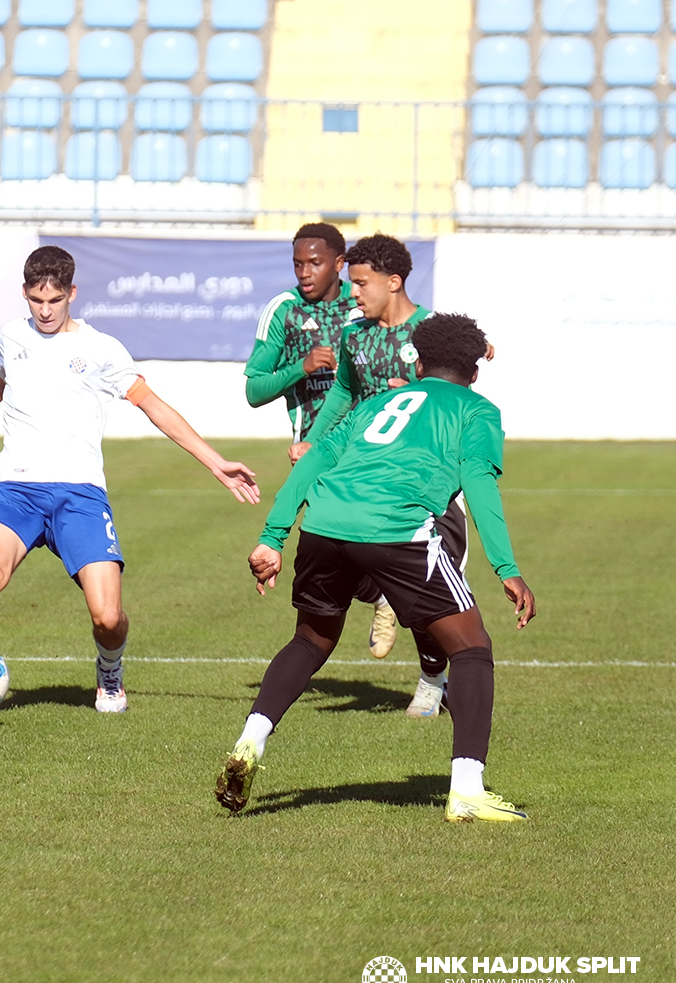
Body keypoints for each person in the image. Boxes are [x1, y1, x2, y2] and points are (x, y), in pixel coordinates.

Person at [217, 312, 536, 823]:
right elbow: (479, 481)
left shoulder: (375, 402)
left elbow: (315, 460)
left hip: (323, 525)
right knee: (472, 649)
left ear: (418, 362)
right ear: (474, 372)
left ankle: (249, 742)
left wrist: (272, 538)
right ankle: (469, 791)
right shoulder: (477, 410)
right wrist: (506, 567)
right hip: (398, 530)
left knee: (311, 641)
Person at [0, 246, 261, 713]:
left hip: (79, 493)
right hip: (16, 488)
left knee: (107, 617)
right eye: (36, 300)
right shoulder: (10, 335)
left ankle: (110, 669)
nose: (44, 311)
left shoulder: (100, 349)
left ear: (72, 294)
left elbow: (152, 404)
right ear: (24, 293)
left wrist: (214, 461)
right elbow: (1, 380)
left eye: (54, 301)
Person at [296, 233, 494, 718]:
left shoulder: (430, 331)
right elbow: (342, 393)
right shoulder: (355, 334)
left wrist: (479, 350)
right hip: (365, 471)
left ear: (394, 281)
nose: (353, 293)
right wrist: (313, 442)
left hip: (426, 479)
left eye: (360, 283)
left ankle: (432, 679)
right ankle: (384, 599)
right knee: (353, 558)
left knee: (437, 597)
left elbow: (462, 372)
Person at [245, 224, 402, 661]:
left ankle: (427, 660)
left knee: (362, 541)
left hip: (367, 445)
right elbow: (254, 391)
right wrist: (301, 366)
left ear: (339, 263)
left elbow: (410, 333)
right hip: (313, 449)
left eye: (314, 263)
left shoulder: (362, 306)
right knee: (328, 545)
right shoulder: (284, 310)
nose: (304, 273)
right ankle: (379, 598)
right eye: (297, 263)